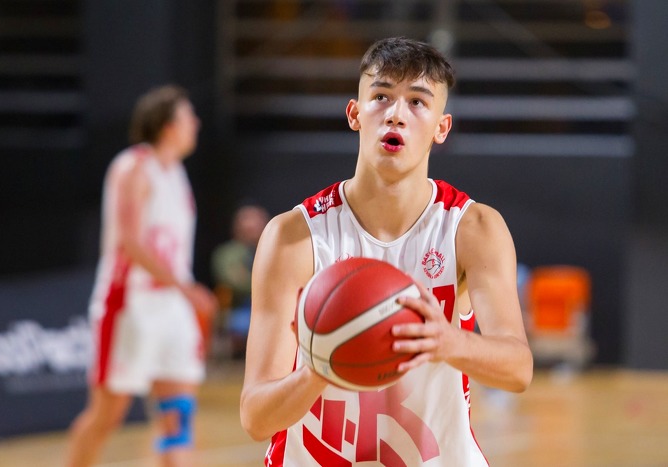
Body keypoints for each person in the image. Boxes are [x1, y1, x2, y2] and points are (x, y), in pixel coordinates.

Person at [240, 37, 533, 466]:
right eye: (381, 97)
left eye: (417, 102)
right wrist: (320, 369)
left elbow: (518, 369)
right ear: (355, 114)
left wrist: (448, 341)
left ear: (442, 128)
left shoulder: (473, 228)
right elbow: (255, 417)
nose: (396, 114)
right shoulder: (292, 236)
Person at [65, 85, 217, 467]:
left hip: (172, 306)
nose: (196, 123)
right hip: (130, 304)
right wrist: (188, 289)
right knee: (106, 416)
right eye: (188, 116)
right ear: (167, 126)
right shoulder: (133, 167)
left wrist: (183, 293)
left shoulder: (177, 173)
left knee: (178, 418)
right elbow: (130, 243)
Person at [211, 203, 269, 359]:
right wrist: (267, 282)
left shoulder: (273, 251)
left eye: (255, 220)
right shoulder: (226, 254)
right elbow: (233, 281)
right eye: (246, 220)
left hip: (272, 306)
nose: (251, 226)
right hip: (240, 307)